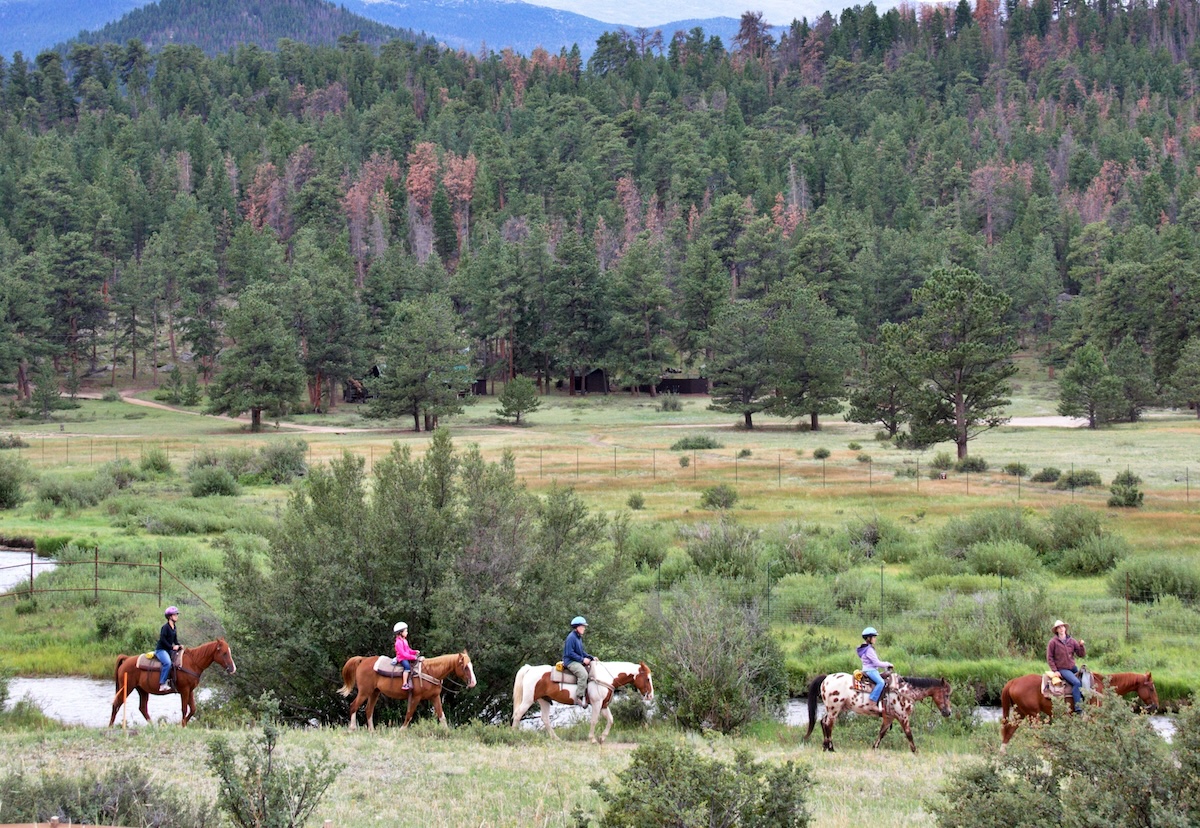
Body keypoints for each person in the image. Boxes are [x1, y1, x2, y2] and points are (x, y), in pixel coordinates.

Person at [1047, 619, 1086, 713]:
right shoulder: (1053, 642)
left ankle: (1086, 701)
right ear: (1056, 630)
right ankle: (1078, 708)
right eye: (1059, 628)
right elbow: (1049, 657)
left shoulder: (1071, 641)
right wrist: (1055, 670)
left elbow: (1081, 654)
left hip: (1072, 667)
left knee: (1085, 680)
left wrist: (1081, 646)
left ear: (1065, 628)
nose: (1061, 629)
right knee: (1076, 683)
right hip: (1062, 668)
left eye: (1062, 627)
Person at [856, 627, 892, 709]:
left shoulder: (864, 648)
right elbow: (877, 663)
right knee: (881, 682)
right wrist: (888, 664)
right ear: (869, 638)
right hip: (871, 670)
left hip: (867, 669)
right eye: (874, 637)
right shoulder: (869, 649)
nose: (875, 639)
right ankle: (872, 701)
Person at [562, 616, 593, 709]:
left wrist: (591, 657)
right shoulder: (571, 637)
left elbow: (581, 652)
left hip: (575, 660)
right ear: (577, 627)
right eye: (582, 626)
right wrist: (583, 660)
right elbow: (570, 653)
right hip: (570, 661)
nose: (584, 628)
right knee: (583, 674)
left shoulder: (578, 637)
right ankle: (579, 697)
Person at [156, 606, 182, 693]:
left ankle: (172, 682)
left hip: (168, 650)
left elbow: (175, 640)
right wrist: (172, 647)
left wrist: (179, 645)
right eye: (175, 615)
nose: (176, 616)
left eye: (177, 615)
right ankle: (162, 684)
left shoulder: (174, 627)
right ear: (170, 617)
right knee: (167, 663)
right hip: (161, 650)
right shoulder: (165, 627)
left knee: (176, 662)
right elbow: (162, 640)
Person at [392, 622, 421, 690]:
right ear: (400, 633)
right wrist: (413, 657)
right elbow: (403, 654)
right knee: (407, 667)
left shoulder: (404, 640)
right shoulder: (398, 643)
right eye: (405, 631)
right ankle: (404, 684)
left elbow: (408, 650)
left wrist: (414, 652)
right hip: (402, 658)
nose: (407, 632)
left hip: (406, 656)